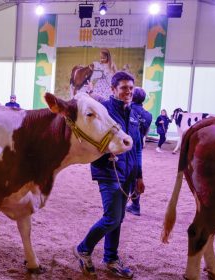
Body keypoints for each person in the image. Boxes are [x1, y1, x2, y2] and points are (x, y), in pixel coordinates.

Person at [73, 71, 145, 279]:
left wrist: (139, 176)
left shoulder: (133, 114)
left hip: (128, 173)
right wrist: (104, 153)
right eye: (123, 88)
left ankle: (111, 258)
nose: (128, 92)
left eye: (131, 88)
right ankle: (83, 248)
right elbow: (88, 140)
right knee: (112, 217)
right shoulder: (104, 110)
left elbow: (137, 147)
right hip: (108, 170)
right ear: (113, 89)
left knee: (119, 218)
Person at [126, 87, 153, 216]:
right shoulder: (148, 115)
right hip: (138, 147)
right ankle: (135, 205)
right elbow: (145, 132)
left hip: (125, 146)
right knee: (136, 177)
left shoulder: (128, 109)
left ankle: (124, 203)